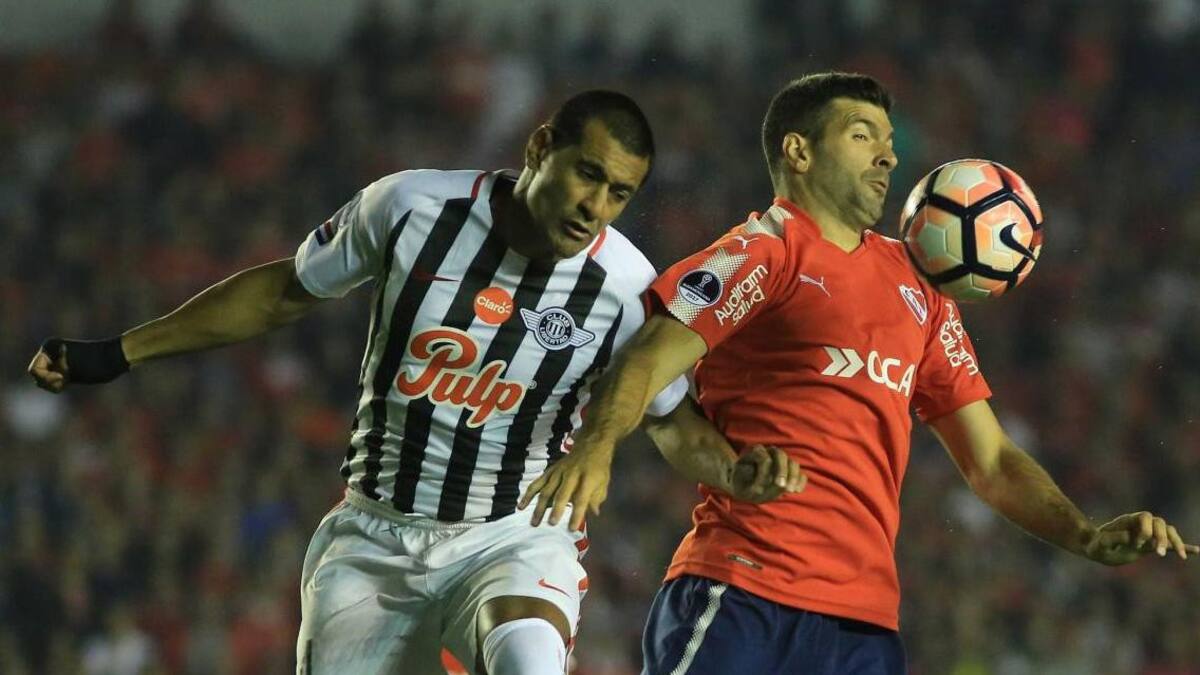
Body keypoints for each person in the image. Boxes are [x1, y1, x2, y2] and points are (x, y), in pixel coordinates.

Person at [27, 90, 802, 675]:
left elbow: (667, 416)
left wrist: (734, 469)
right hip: (373, 539)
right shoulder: (410, 207)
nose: (594, 206)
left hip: (512, 535)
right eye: (587, 174)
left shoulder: (626, 286)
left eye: (618, 193)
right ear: (542, 147)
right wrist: (120, 352)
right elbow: (284, 292)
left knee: (527, 659)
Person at [519, 73, 1198, 674]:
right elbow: (645, 359)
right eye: (862, 134)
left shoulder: (922, 291)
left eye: (890, 141)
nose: (888, 155)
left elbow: (990, 461)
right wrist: (596, 449)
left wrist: (1084, 533)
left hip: (863, 627)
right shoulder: (765, 252)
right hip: (743, 593)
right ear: (799, 151)